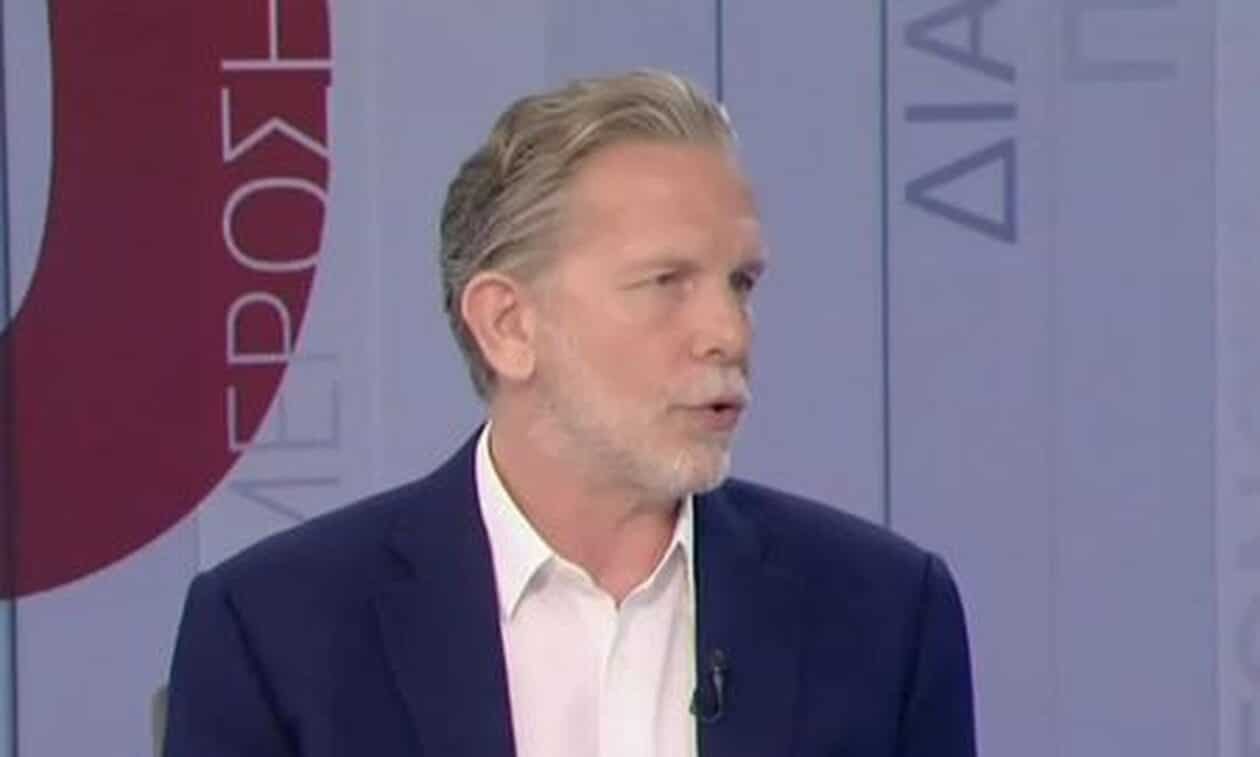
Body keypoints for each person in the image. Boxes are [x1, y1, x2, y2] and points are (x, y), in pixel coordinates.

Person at [163, 70, 976, 757]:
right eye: (666, 283)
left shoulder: (882, 616)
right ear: (509, 326)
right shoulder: (277, 633)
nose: (729, 333)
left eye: (741, 282)